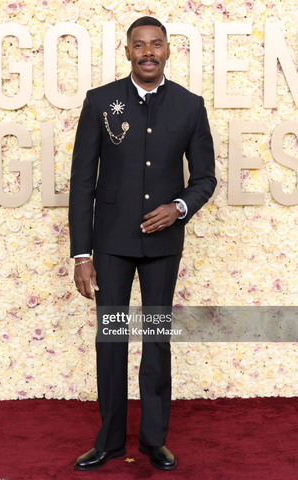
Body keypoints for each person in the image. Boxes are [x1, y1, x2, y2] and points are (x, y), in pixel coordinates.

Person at [68, 16, 217, 471]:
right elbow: (81, 183)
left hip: (164, 247)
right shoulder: (100, 102)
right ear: (127, 51)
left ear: (169, 50)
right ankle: (110, 441)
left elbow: (206, 178)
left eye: (156, 44)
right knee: (111, 340)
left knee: (155, 341)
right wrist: (81, 254)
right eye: (139, 45)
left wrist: (179, 207)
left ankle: (154, 440)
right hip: (110, 245)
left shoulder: (191, 106)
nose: (148, 51)